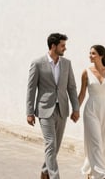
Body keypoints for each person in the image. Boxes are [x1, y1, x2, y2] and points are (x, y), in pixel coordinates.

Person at [26, 33, 80, 179]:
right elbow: (31, 88)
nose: (65, 48)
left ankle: (45, 171)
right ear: (53, 46)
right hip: (45, 109)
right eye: (63, 45)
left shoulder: (67, 63)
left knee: (56, 146)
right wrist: (29, 112)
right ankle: (54, 176)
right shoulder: (37, 63)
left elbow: (72, 87)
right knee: (50, 143)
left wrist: (76, 108)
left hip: (62, 109)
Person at [78, 45, 105, 179]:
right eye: (89, 53)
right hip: (91, 109)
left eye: (93, 53)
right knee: (96, 142)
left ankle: (89, 171)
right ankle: (101, 175)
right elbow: (82, 94)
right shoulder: (86, 72)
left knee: (102, 143)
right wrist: (75, 110)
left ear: (101, 55)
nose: (90, 56)